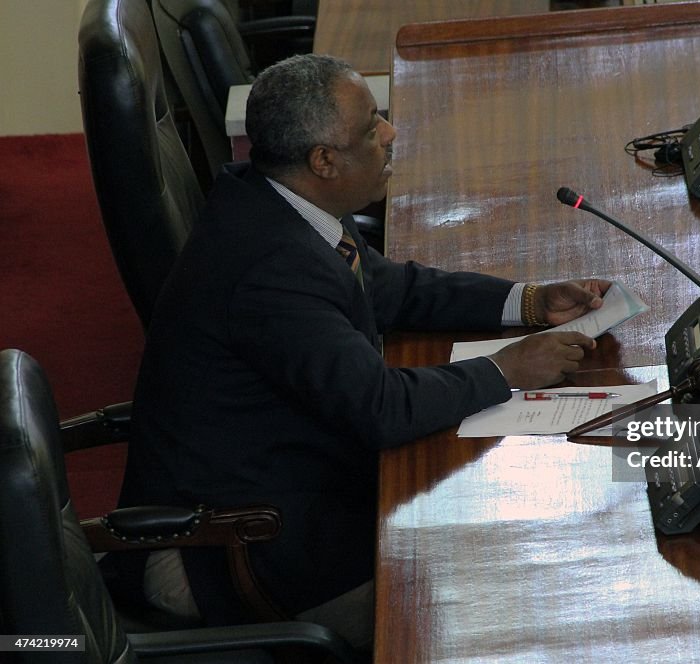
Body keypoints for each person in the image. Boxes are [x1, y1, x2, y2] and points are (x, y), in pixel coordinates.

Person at [117, 53, 610, 651]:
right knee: (475, 602)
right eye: (371, 124)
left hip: (290, 482)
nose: (390, 132)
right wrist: (504, 369)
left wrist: (527, 302)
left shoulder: (284, 202)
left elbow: (391, 288)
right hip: (234, 544)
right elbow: (378, 409)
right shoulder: (269, 268)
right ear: (324, 160)